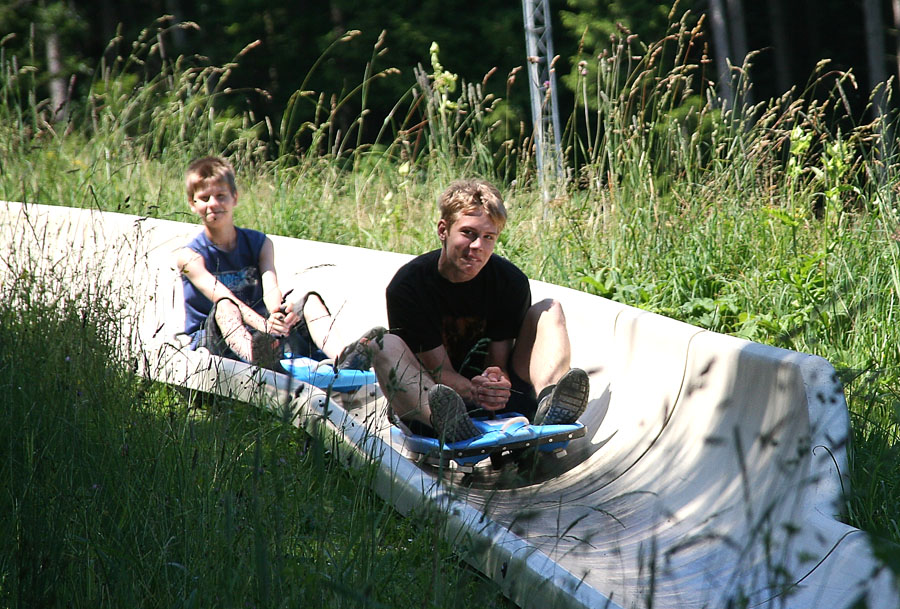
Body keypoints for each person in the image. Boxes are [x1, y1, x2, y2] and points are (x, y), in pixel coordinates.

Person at [339, 179, 589, 443]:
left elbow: (499, 362)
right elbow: (438, 371)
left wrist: (495, 383)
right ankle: (447, 422)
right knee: (383, 342)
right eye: (468, 233)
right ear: (443, 230)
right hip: (433, 396)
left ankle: (550, 402)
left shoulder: (509, 281)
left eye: (488, 237)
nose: (477, 247)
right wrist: (474, 392)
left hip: (495, 398)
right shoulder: (409, 286)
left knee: (550, 310)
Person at [177, 156, 361, 370]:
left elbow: (271, 286)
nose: (213, 204)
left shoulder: (260, 243)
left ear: (234, 198)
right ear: (193, 203)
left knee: (310, 301)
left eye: (221, 196)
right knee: (227, 306)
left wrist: (280, 315)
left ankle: (345, 361)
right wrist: (264, 324)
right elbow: (224, 297)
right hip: (214, 340)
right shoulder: (189, 257)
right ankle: (260, 363)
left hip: (261, 335)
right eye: (205, 198)